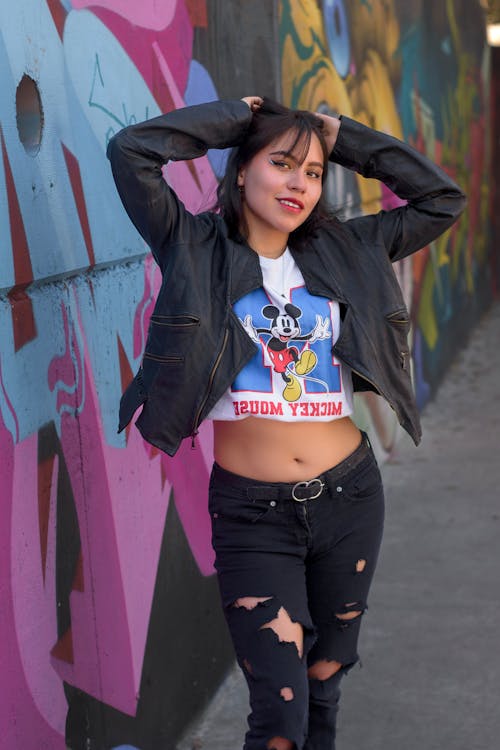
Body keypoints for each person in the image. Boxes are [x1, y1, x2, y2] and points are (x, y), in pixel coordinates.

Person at [107, 96, 466, 750]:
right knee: (280, 717)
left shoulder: (351, 249)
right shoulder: (192, 245)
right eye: (280, 163)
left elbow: (441, 198)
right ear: (241, 170)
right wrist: (233, 118)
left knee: (325, 681)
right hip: (252, 514)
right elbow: (131, 152)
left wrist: (342, 136)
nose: (298, 182)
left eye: (312, 169)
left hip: (350, 498)